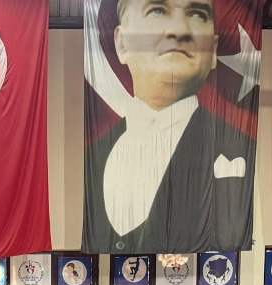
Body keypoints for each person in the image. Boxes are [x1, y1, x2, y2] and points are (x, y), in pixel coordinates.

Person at [82, 0, 251, 252]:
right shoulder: (93, 156)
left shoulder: (236, 149)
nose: (179, 30)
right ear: (121, 42)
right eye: (157, 10)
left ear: (213, 50)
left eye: (197, 14)